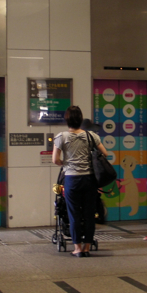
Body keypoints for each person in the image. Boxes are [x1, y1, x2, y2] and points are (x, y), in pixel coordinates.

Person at [52, 106, 108, 257]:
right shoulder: (91, 136)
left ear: (67, 120)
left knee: (74, 214)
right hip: (89, 179)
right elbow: (105, 153)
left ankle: (77, 248)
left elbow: (55, 160)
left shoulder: (61, 137)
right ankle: (87, 247)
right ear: (81, 120)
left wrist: (66, 163)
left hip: (72, 179)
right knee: (89, 214)